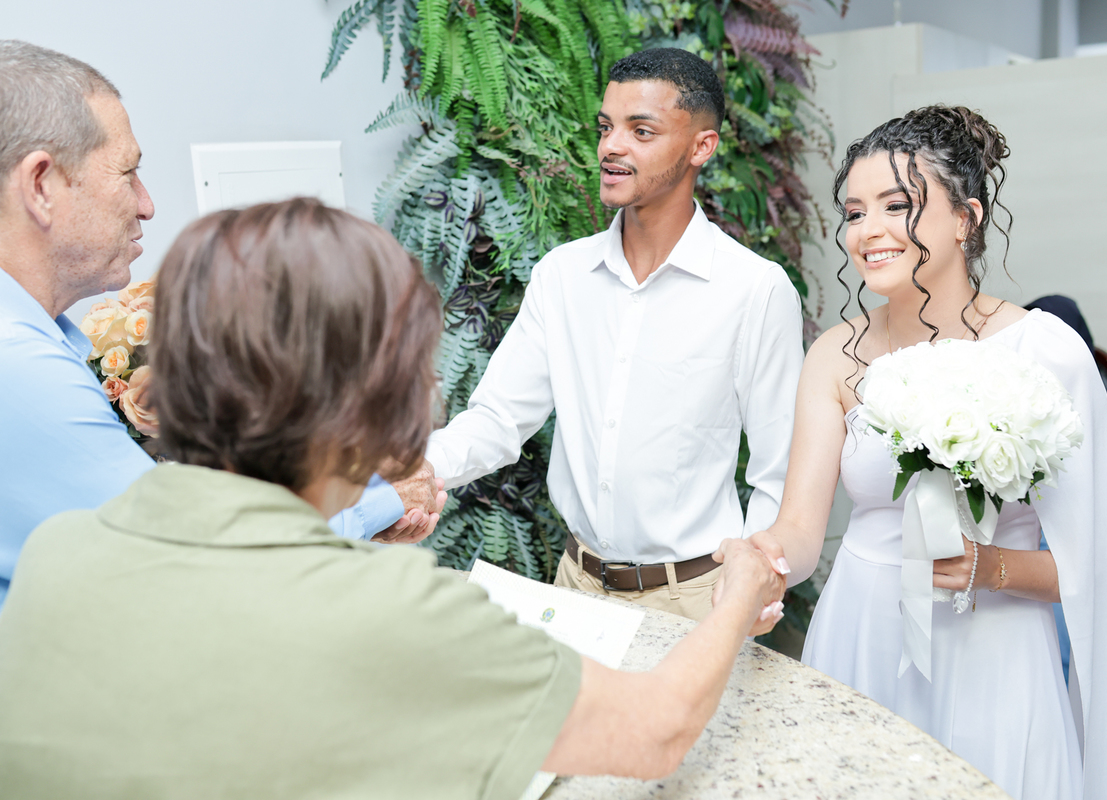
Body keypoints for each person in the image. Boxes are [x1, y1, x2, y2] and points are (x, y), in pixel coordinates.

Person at [0, 198, 784, 798]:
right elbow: (655, 730)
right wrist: (738, 592)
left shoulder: (58, 553)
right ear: (375, 398)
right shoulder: (394, 610)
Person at [747, 107, 1107, 799]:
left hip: (997, 648)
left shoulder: (1046, 353)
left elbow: (1088, 569)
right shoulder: (835, 355)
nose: (869, 230)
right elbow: (799, 531)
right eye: (854, 212)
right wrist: (762, 561)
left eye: (898, 206)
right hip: (863, 634)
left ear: (965, 218)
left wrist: (989, 566)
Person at [0, 39, 439, 608]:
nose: (147, 204)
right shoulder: (17, 365)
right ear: (40, 186)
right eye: (128, 173)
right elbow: (196, 566)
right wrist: (378, 499)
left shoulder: (37, 342)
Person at [401, 48, 804, 620]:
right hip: (575, 587)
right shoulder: (562, 275)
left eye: (641, 131)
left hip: (697, 596)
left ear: (702, 147)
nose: (611, 146)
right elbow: (498, 418)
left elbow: (778, 470)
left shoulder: (754, 289)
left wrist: (755, 581)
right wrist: (419, 469)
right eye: (606, 127)